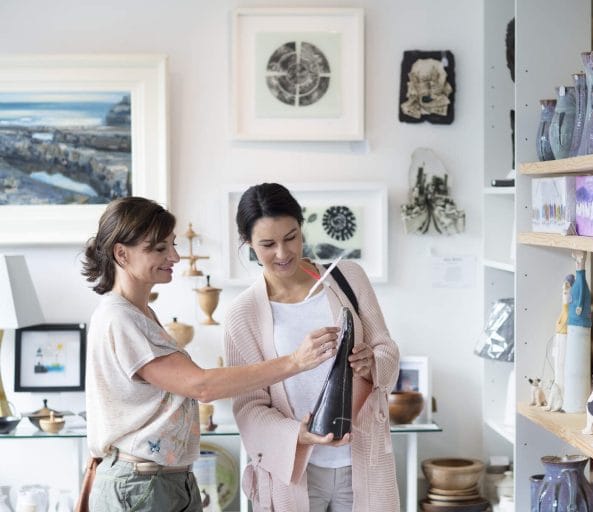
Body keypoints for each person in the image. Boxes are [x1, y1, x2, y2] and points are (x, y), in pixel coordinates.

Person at [81, 196, 338, 511]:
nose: (174, 256)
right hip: (143, 484)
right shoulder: (119, 318)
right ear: (121, 253)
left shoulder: (140, 313)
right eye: (159, 248)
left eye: (172, 245)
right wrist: (295, 361)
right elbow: (200, 386)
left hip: (166, 480)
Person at [224, 183, 400, 512]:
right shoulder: (242, 314)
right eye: (267, 244)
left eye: (291, 237)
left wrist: (372, 363)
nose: (282, 252)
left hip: (361, 461)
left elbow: (386, 348)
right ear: (249, 244)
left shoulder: (348, 278)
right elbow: (249, 406)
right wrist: (297, 435)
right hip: (294, 473)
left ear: (301, 227)